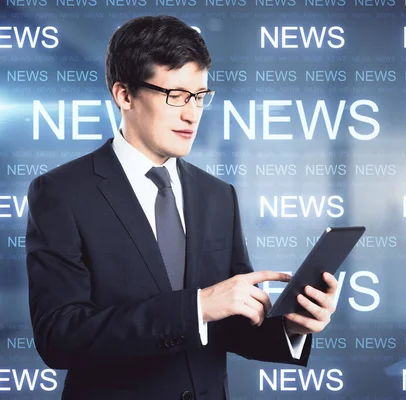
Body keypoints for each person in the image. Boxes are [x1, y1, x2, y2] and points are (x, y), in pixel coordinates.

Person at [25, 15, 337, 400]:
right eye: (175, 95)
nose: (192, 113)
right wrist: (197, 306)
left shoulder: (218, 195)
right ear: (124, 95)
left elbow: (230, 324)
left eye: (200, 96)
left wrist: (293, 326)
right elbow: (60, 336)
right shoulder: (62, 193)